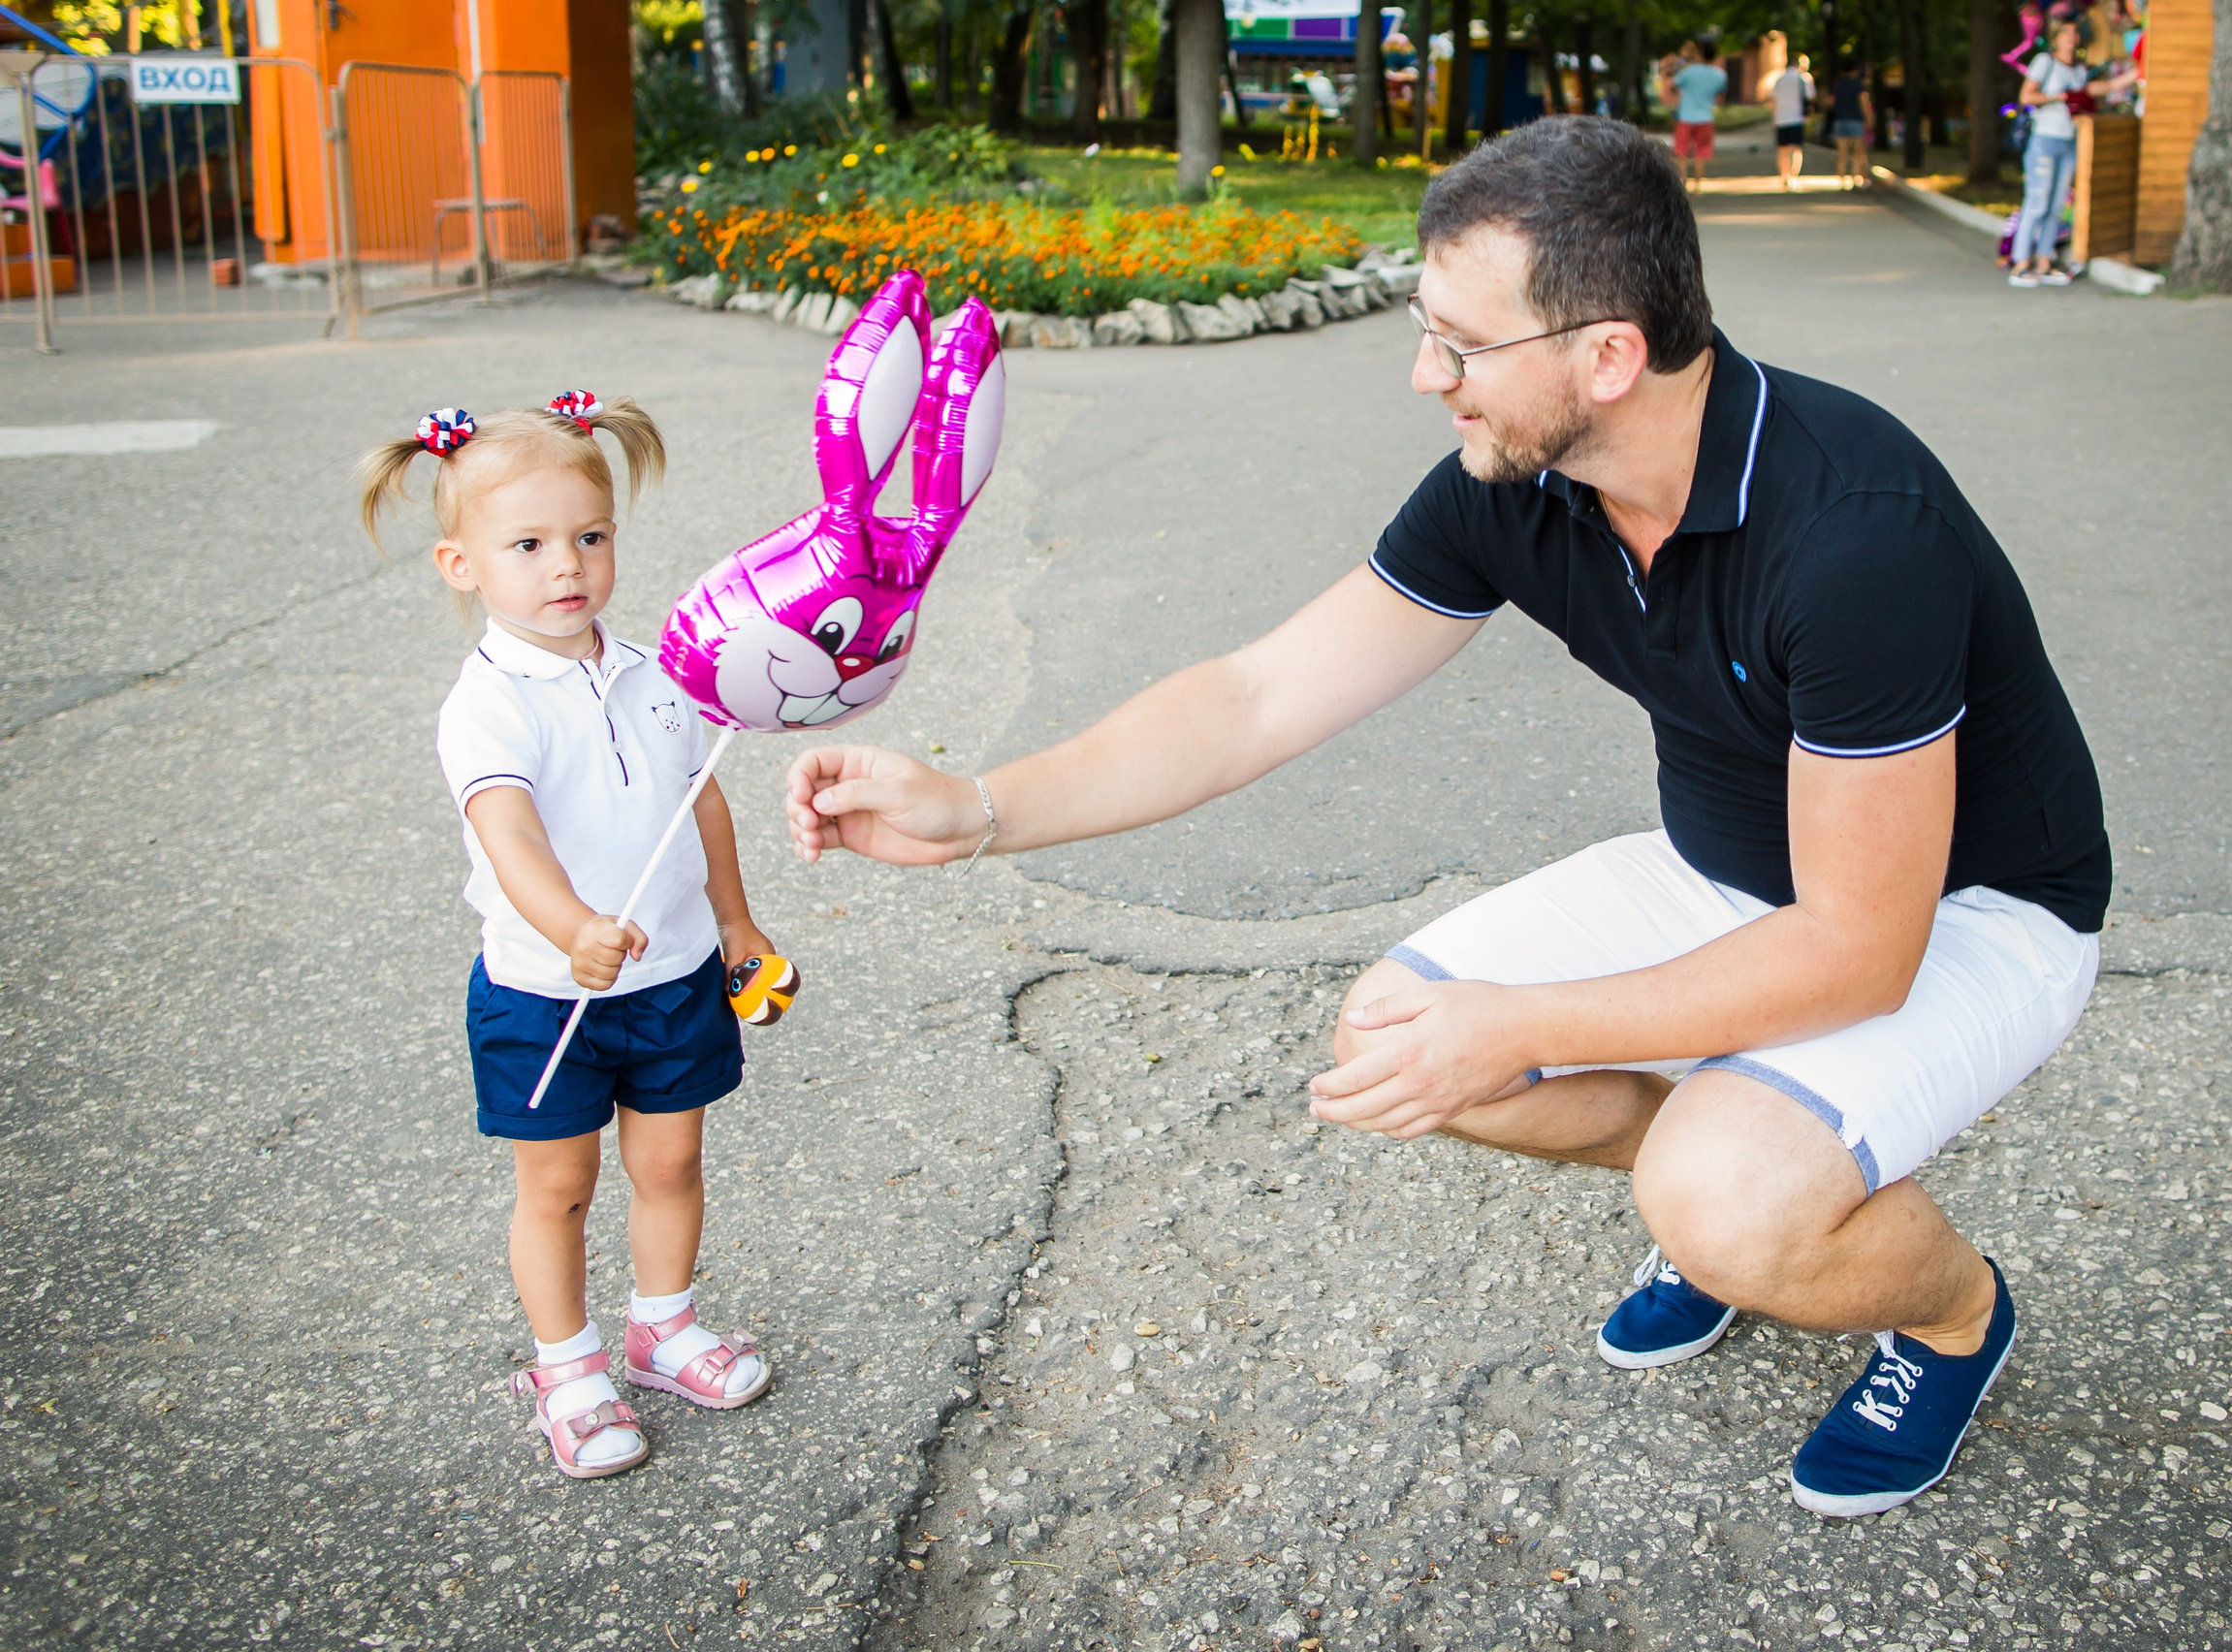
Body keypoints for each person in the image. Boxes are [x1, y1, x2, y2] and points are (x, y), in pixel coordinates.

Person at [781, 116, 2112, 1517]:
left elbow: (1859, 952)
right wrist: (980, 807)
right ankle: (1725, 1170)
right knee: (1402, 1035)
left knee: (1720, 1197)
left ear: (1607, 357)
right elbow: (1253, 696)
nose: (1428, 376)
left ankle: (1951, 1313)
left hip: (1972, 917)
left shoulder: (1856, 532)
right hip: (1728, 875)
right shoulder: (1518, 477)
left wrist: (1531, 1026)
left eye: (1460, 346)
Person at [360, 395, 777, 1480]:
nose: (568, 567)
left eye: (590, 537)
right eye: (530, 544)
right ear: (463, 565)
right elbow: (508, 835)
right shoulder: (488, 704)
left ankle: (662, 1328)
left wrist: (732, 919)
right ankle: (566, 1365)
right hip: (548, 989)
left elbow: (705, 800)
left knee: (672, 1158)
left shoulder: (655, 671)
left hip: (674, 975)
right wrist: (574, 927)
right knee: (559, 1186)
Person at [2008, 18, 2137, 285]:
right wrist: (2059, 97)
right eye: (2065, 33)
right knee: (2037, 202)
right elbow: (2026, 96)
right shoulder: (2045, 62)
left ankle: (2044, 262)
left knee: (2056, 206)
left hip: (2069, 143)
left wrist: (2137, 73)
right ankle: (2020, 263)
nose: (2071, 37)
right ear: (2055, 38)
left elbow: (2098, 89)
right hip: (2044, 140)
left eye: (2074, 33)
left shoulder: (2078, 70)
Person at [1661, 40, 1729, 191]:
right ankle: (1698, 184)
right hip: (1706, 117)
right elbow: (1721, 93)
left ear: (1700, 53)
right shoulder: (1720, 75)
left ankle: (1683, 179)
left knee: (1681, 150)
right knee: (1702, 151)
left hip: (1685, 116)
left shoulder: (1688, 71)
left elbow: (1673, 86)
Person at [1770, 51, 1816, 189]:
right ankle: (1793, 177)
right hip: (1797, 118)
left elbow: (1773, 98)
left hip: (1781, 118)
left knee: (1783, 150)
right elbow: (1811, 97)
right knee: (1796, 150)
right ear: (1798, 63)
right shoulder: (1804, 79)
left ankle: (1784, 177)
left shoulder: (1780, 78)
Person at [1827, 58, 1872, 188]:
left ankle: (1841, 180)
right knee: (1858, 152)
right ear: (1856, 70)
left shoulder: (1837, 84)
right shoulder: (1859, 85)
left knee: (1842, 153)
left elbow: (1830, 102)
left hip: (1840, 120)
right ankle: (1854, 178)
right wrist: (1868, 119)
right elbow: (1864, 103)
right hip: (1856, 120)